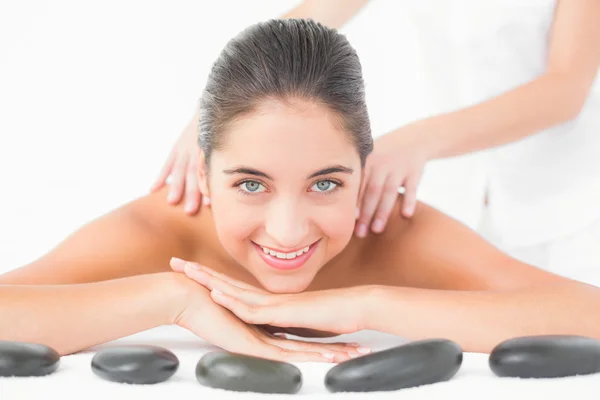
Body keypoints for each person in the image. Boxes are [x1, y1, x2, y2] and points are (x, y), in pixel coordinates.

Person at [1, 19, 599, 363]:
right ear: (204, 177)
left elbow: (589, 313)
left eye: (326, 183)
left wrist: (368, 304)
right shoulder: (161, 230)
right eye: (251, 184)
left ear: (364, 178)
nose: (287, 230)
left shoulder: (384, 229)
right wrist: (172, 300)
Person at [152, 1, 600, 285]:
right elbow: (307, 20)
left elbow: (565, 90)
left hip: (562, 209)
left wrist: (417, 141)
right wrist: (211, 116)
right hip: (449, 200)